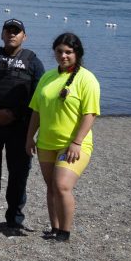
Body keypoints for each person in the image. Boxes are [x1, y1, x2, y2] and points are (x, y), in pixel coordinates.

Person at [26, 32, 100, 242]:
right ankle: (54, 227)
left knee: (62, 185)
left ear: (77, 53)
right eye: (59, 51)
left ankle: (65, 232)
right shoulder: (48, 77)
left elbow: (90, 113)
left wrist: (76, 142)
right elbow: (36, 111)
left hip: (73, 144)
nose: (63, 56)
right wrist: (29, 137)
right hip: (46, 142)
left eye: (68, 52)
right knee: (51, 187)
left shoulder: (87, 79)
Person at [0, 18, 44, 234]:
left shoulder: (33, 61)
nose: (12, 34)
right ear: (2, 35)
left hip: (20, 126)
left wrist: (14, 114)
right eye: (8, 31)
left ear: (24, 36)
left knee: (19, 174)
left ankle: (14, 218)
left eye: (17, 31)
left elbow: (39, 94)